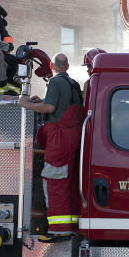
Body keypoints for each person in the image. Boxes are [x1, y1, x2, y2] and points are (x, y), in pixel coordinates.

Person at [19, 53, 84, 239]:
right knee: (69, 183)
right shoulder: (74, 84)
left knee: (55, 182)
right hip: (73, 137)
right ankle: (70, 228)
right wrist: (43, 102)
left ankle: (58, 231)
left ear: (51, 65)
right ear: (68, 66)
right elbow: (58, 106)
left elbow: (50, 109)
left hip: (60, 140)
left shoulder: (55, 82)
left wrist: (26, 104)